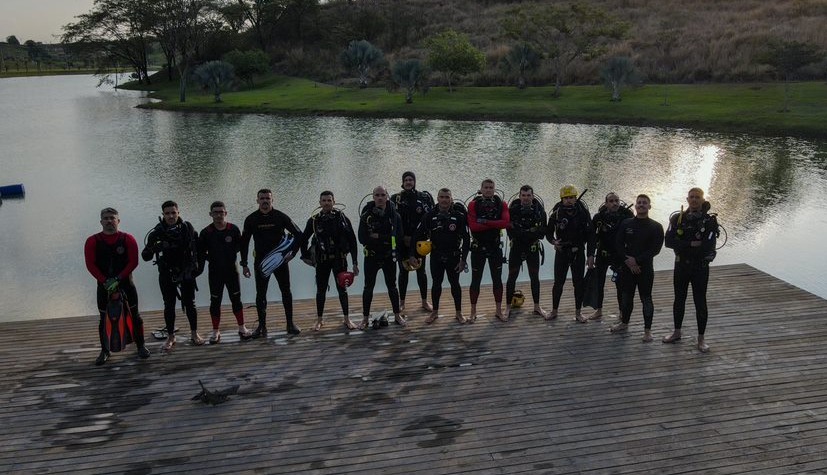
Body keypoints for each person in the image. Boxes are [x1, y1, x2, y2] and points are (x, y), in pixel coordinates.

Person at [84, 207, 150, 365]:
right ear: (101, 222)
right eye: (106, 218)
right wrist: (105, 281)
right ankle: (105, 350)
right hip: (104, 286)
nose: (109, 221)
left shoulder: (128, 239)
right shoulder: (92, 241)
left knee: (135, 316)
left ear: (118, 221)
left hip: (126, 284)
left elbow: (134, 262)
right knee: (103, 318)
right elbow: (90, 265)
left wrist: (118, 279)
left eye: (112, 218)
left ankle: (141, 346)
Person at [240, 188, 304, 337]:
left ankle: (290, 324)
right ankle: (262, 326)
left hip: (280, 260)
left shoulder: (280, 217)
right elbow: (244, 242)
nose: (265, 201)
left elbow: (299, 234)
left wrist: (293, 253)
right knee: (261, 294)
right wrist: (244, 264)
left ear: (272, 200)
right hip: (261, 262)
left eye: (267, 198)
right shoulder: (251, 219)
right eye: (262, 198)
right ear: (257, 200)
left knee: (286, 291)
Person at [142, 200, 204, 351]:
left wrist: (197, 270)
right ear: (162, 214)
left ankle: (194, 333)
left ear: (178, 212)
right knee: (168, 305)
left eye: (173, 213)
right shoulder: (157, 233)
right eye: (167, 213)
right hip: (167, 273)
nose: (170, 216)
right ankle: (170, 336)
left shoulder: (188, 229)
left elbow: (200, 252)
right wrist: (153, 248)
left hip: (186, 272)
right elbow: (145, 256)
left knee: (190, 303)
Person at [663, 187, 719, 353]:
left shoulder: (709, 221)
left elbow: (707, 246)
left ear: (703, 200)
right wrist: (690, 244)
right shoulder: (677, 218)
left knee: (700, 301)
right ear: (687, 199)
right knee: (679, 299)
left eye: (697, 197)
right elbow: (668, 242)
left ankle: (701, 339)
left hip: (700, 267)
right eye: (691, 197)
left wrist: (683, 246)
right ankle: (676, 332)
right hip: (681, 266)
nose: (694, 200)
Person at [300, 191, 359, 331]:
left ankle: (347, 319)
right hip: (322, 261)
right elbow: (303, 238)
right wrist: (305, 256)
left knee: (342, 290)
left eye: (329, 200)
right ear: (320, 203)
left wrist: (355, 262)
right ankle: (319, 320)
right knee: (321, 290)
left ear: (334, 202)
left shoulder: (342, 218)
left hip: (340, 260)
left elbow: (352, 240)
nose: (326, 203)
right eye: (324, 200)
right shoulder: (314, 220)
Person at [197, 201, 253, 344]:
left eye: (221, 212)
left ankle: (242, 327)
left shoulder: (233, 229)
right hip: (215, 272)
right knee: (215, 301)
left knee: (236, 299)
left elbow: (241, 248)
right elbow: (200, 253)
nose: (218, 215)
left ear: (225, 213)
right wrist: (205, 264)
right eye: (215, 212)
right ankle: (215, 331)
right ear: (210, 214)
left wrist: (244, 265)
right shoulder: (206, 232)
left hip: (232, 271)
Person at [610, 194, 664, 342]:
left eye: (644, 203)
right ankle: (624, 323)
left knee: (646, 298)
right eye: (639, 203)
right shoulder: (626, 223)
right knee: (626, 297)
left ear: (649, 206)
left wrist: (637, 261)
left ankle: (647, 331)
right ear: (635, 206)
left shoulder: (656, 227)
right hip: (627, 267)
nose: (641, 205)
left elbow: (655, 249)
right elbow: (618, 244)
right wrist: (627, 261)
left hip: (644, 268)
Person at [414, 188, 470, 324]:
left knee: (455, 284)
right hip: (436, 256)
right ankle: (434, 312)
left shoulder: (459, 216)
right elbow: (418, 234)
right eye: (442, 197)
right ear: (437, 198)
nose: (444, 200)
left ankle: (459, 313)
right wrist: (412, 255)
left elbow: (467, 239)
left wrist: (463, 260)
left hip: (454, 256)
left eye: (447, 197)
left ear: (451, 199)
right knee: (436, 284)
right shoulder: (430, 215)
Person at [358, 185, 406, 328]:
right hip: (371, 257)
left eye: (382, 195)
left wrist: (378, 236)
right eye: (377, 195)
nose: (380, 198)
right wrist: (386, 238)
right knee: (368, 287)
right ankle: (365, 318)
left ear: (387, 196)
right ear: (373, 197)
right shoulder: (366, 215)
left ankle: (397, 315)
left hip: (388, 256)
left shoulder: (395, 215)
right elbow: (362, 238)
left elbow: (398, 238)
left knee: (392, 286)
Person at [547, 185, 594, 322]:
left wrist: (591, 255)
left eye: (571, 197)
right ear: (561, 199)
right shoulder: (556, 213)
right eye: (566, 198)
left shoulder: (583, 213)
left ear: (575, 198)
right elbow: (548, 233)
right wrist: (553, 241)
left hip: (578, 252)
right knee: (558, 283)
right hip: (561, 252)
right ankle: (554, 311)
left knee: (578, 284)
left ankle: (578, 313)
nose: (568, 200)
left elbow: (591, 235)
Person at [586, 192, 634, 321]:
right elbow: (592, 237)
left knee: (620, 284)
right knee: (599, 283)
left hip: (619, 255)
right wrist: (590, 255)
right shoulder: (599, 217)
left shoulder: (627, 215)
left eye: (616, 200)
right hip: (603, 254)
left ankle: (622, 311)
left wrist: (632, 256)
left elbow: (634, 236)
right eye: (611, 201)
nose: (615, 203)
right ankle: (599, 310)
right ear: (606, 203)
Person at [391, 171, 435, 314]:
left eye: (411, 180)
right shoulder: (395, 199)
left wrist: (422, 237)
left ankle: (424, 301)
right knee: (403, 272)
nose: (408, 182)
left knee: (421, 272)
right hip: (402, 241)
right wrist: (402, 237)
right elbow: (393, 222)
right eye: (406, 180)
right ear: (402, 183)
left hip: (419, 242)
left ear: (414, 182)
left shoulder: (424, 197)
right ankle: (402, 302)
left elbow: (430, 219)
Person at [467, 178, 510, 322]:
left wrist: (484, 221)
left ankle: (498, 311)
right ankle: (473, 312)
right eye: (485, 187)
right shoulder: (473, 204)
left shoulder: (501, 204)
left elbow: (505, 223)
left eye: (491, 187)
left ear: (494, 189)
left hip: (495, 247)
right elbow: (473, 227)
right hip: (478, 248)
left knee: (497, 279)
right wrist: (495, 224)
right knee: (475, 280)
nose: (488, 190)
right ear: (481, 189)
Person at [505, 185, 548, 320]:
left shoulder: (540, 212)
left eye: (528, 195)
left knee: (534, 277)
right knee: (512, 277)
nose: (526, 198)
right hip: (516, 248)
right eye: (523, 195)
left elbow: (542, 233)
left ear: (533, 196)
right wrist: (530, 232)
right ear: (519, 196)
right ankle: (507, 307)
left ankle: (537, 306)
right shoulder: (512, 211)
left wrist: (522, 232)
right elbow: (509, 231)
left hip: (532, 248)